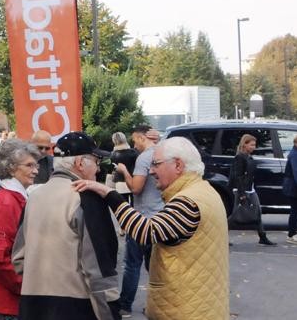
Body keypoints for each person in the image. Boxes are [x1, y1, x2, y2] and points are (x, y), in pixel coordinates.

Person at [74, 137, 229, 320]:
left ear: (178, 165)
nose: (152, 171)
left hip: (186, 310)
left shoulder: (188, 202)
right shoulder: (204, 191)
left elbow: (146, 232)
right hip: (202, 304)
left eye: (156, 164)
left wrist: (109, 194)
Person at [12, 132, 121, 320]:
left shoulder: (34, 197)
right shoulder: (87, 198)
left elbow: (18, 258)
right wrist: (110, 313)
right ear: (80, 163)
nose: (97, 169)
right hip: (77, 307)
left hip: (33, 306)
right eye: (96, 161)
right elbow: (98, 268)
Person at [0, 139, 41, 320]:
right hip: (4, 303)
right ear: (12, 167)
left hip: (5, 300)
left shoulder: (13, 198)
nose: (35, 170)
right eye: (29, 165)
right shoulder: (7, 202)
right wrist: (25, 287)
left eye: (35, 165)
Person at [110, 126, 163, 316]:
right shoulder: (162, 153)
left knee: (132, 264)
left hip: (142, 219)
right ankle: (159, 304)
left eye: (135, 140)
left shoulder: (144, 158)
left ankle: (125, 306)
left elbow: (136, 188)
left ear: (142, 138)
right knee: (155, 266)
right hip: (160, 217)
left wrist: (124, 171)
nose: (134, 145)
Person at [231, 134, 276, 245]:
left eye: (254, 145)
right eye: (251, 145)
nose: (253, 147)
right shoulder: (240, 157)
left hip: (250, 189)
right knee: (236, 215)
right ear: (244, 144)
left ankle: (262, 237)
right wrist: (241, 193)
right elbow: (238, 176)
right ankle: (221, 236)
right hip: (241, 190)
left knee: (258, 213)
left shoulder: (248, 156)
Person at [284, 134, 297, 244]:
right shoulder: (295, 154)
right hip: (294, 188)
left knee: (296, 210)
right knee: (295, 210)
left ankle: (292, 233)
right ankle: (291, 234)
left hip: (294, 187)